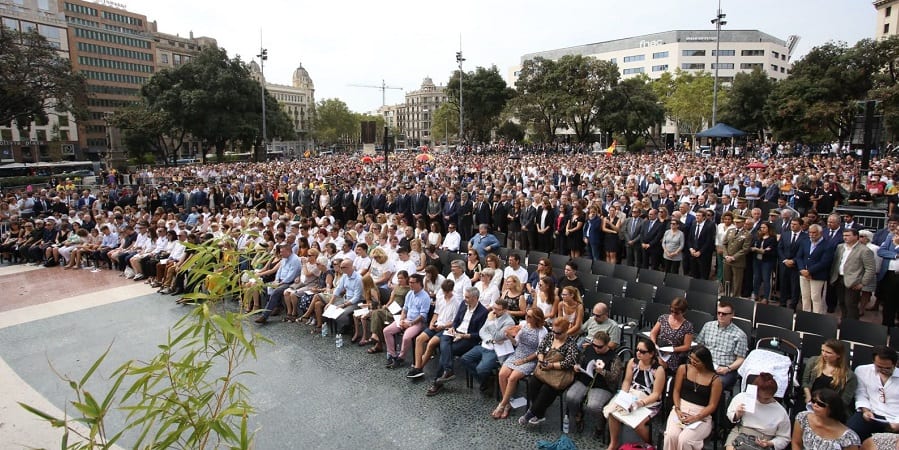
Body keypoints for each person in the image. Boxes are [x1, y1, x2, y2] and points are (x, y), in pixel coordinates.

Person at [426, 286, 488, 397]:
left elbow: (479, 334)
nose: (465, 299)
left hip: (468, 338)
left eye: (467, 297)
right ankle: (448, 370)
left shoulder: (483, 312)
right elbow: (456, 320)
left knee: (446, 351)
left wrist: (463, 336)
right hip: (456, 332)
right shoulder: (464, 305)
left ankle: (438, 381)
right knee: (444, 338)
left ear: (475, 298)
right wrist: (453, 328)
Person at [606, 338, 667, 450]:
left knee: (638, 424)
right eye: (637, 350)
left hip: (648, 399)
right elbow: (627, 381)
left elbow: (656, 394)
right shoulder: (632, 362)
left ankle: (648, 444)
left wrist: (641, 403)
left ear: (651, 354)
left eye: (642, 351)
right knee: (612, 413)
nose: (638, 353)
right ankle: (614, 443)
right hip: (632, 393)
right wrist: (623, 395)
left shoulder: (658, 370)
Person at [518, 317, 579, 426]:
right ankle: (539, 413)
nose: (555, 334)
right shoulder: (549, 336)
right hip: (544, 369)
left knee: (547, 389)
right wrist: (541, 360)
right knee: (533, 383)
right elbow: (540, 350)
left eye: (558, 333)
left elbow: (569, 362)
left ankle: (531, 413)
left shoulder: (571, 344)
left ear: (565, 331)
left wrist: (551, 365)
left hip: (559, 374)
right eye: (553, 331)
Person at [663, 346, 723, 450]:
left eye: (697, 361)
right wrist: (677, 409)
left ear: (705, 362)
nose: (692, 362)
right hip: (681, 408)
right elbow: (676, 391)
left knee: (684, 440)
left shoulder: (715, 380)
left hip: (701, 414)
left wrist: (697, 417)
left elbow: (712, 405)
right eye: (691, 358)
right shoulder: (683, 369)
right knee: (671, 436)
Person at [493, 307, 547, 419]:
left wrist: (525, 360)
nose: (526, 317)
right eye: (527, 315)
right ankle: (507, 403)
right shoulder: (523, 324)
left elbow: (539, 351)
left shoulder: (542, 331)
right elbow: (517, 343)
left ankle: (502, 405)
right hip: (518, 353)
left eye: (530, 316)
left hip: (530, 358)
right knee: (502, 374)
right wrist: (508, 336)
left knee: (512, 378)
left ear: (536, 318)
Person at [565, 331, 622, 436]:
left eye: (599, 347)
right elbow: (580, 361)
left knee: (594, 406)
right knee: (570, 397)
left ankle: (600, 426)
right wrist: (577, 367)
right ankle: (578, 415)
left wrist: (603, 372)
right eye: (594, 345)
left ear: (606, 345)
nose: (596, 348)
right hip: (584, 379)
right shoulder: (588, 349)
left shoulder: (614, 358)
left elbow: (615, 378)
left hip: (602, 385)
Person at [406, 279, 461, 379]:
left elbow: (454, 322)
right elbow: (436, 313)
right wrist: (432, 323)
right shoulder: (440, 298)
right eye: (444, 291)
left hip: (446, 328)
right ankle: (418, 367)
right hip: (437, 324)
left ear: (451, 290)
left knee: (431, 343)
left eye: (446, 292)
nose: (445, 293)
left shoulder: (457, 302)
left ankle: (418, 368)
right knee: (419, 339)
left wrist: (443, 326)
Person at [460, 298, 516, 392]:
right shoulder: (492, 315)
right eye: (494, 308)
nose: (495, 311)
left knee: (481, 369)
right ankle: (485, 380)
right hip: (485, 344)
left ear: (505, 310)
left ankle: (485, 378)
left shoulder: (509, 322)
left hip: (496, 350)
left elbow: (498, 336)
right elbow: (482, 331)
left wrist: (490, 322)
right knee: (465, 358)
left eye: (498, 309)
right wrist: (490, 340)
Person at [725, 372, 791, 450]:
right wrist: (737, 414)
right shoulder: (742, 397)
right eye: (759, 397)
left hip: (764, 439)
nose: (762, 400)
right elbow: (730, 414)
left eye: (767, 398)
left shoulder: (780, 412)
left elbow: (784, 437)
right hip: (741, 432)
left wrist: (770, 443)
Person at [848, 346, 899, 442]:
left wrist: (897, 423)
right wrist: (865, 410)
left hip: (895, 417)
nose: (883, 370)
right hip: (871, 413)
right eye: (879, 366)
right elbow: (861, 394)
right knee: (851, 433)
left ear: (895, 364)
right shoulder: (862, 371)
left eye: (887, 368)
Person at [694, 300, 748, 390]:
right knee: (686, 374)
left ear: (732, 315)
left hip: (725, 370)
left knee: (714, 385)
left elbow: (741, 359)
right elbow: (699, 346)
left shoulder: (740, 335)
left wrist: (727, 368)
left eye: (724, 314)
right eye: (719, 313)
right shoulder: (708, 326)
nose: (720, 315)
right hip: (705, 365)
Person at [383, 273, 431, 369]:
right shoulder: (409, 293)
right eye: (409, 282)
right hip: (406, 319)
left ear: (419, 283)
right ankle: (392, 355)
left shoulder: (425, 297)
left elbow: (423, 315)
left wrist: (410, 323)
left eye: (413, 283)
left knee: (406, 337)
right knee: (387, 331)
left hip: (417, 322)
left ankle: (401, 357)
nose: (410, 284)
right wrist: (401, 320)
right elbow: (405, 309)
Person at [801, 339, 857, 415]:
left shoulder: (849, 376)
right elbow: (805, 382)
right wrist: (808, 397)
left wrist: (827, 409)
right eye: (822, 350)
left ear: (838, 355)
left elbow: (844, 401)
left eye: (828, 352)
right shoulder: (813, 361)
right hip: (811, 402)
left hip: (830, 409)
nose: (824, 354)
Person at [830, 228, 876, 320]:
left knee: (851, 304)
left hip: (854, 281)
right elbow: (836, 262)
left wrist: (862, 283)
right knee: (842, 302)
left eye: (848, 235)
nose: (845, 237)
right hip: (839, 278)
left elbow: (870, 269)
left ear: (856, 236)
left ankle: (852, 325)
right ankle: (843, 320)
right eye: (844, 235)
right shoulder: (840, 247)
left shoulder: (864, 250)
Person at [792, 388, 860, 450]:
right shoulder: (803, 418)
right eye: (813, 401)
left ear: (832, 409)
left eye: (820, 404)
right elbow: (796, 443)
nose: (815, 405)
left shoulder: (849, 438)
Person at [255, 243, 301, 324]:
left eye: (282, 252)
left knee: (277, 291)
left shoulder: (295, 260)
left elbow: (291, 275)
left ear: (288, 251)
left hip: (289, 282)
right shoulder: (284, 259)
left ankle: (264, 316)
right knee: (265, 287)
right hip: (280, 280)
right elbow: (279, 271)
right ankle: (276, 306)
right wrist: (276, 280)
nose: (280, 254)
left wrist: (280, 283)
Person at [796, 224, 834, 313]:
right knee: (805, 296)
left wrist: (809, 271)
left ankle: (817, 317)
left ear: (820, 233)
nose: (812, 235)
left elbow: (825, 262)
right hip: (803, 274)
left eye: (814, 233)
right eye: (810, 233)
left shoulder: (827, 245)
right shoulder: (805, 242)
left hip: (817, 275)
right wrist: (802, 269)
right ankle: (806, 315)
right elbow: (799, 257)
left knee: (815, 297)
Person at [649, 296, 694, 372]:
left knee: (659, 364)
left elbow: (687, 346)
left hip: (673, 353)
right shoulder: (663, 318)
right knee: (646, 357)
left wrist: (672, 350)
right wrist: (653, 343)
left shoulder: (687, 326)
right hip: (658, 349)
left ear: (683, 312)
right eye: (671, 311)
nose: (673, 314)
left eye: (676, 313)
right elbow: (653, 333)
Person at [751, 221, 778, 304]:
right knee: (756, 278)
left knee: (766, 279)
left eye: (764, 227)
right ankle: (755, 294)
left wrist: (758, 250)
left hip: (767, 261)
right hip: (757, 260)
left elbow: (768, 251)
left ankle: (766, 297)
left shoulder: (772, 238)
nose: (762, 229)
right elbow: (753, 246)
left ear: (769, 229)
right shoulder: (758, 237)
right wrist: (756, 249)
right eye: (761, 227)